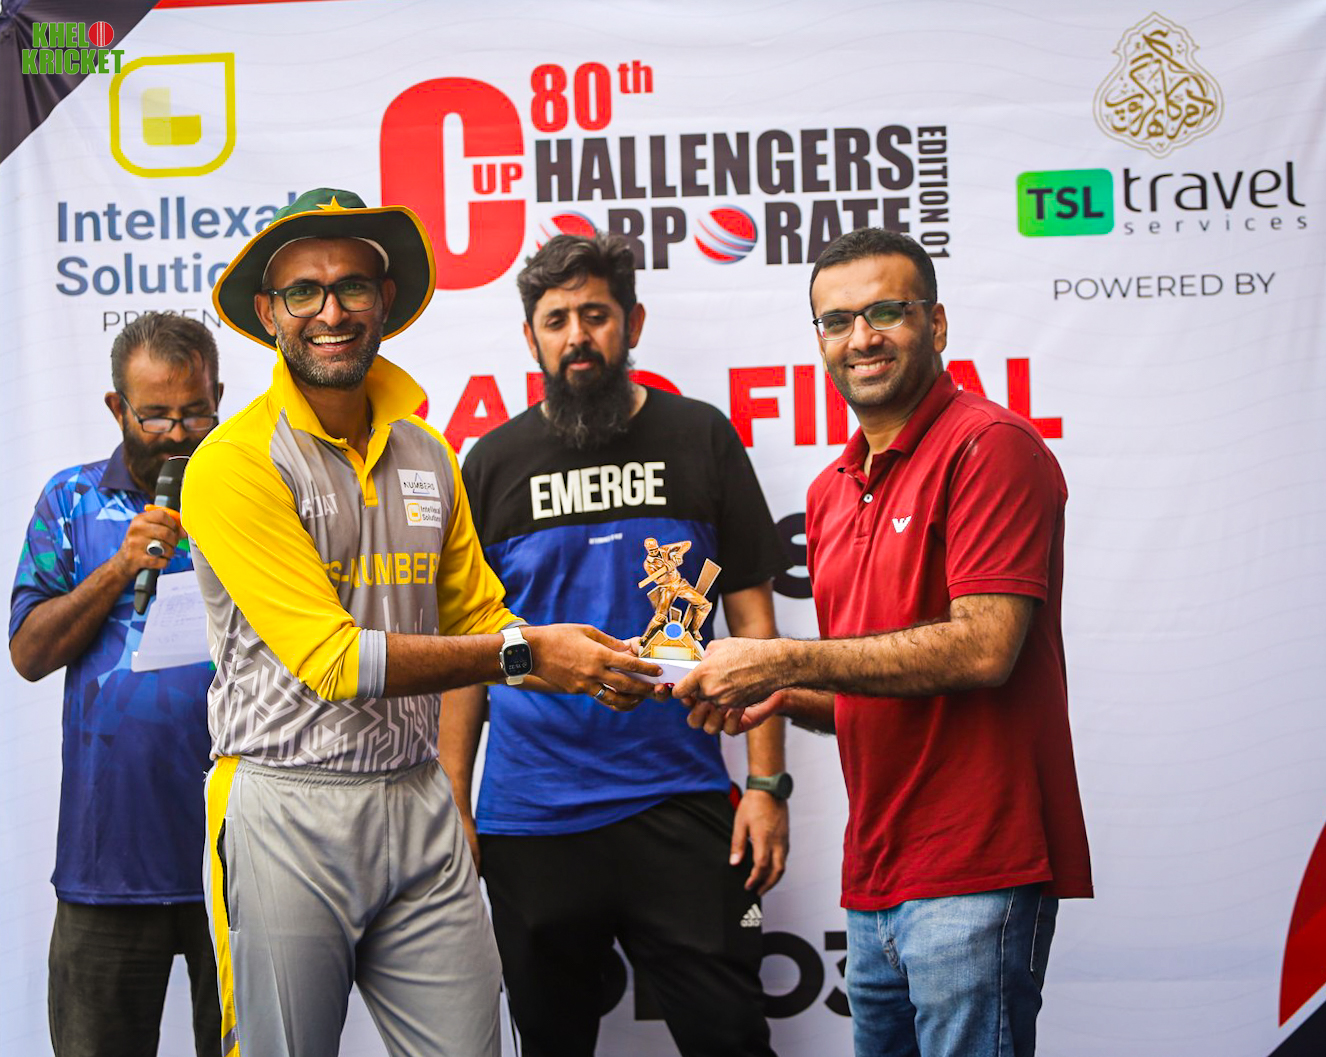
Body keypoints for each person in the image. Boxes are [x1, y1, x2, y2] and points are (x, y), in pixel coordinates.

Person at [183, 189, 660, 1057]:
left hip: (417, 795)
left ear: (386, 300)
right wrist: (529, 653)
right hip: (287, 801)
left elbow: (479, 614)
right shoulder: (233, 463)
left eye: (353, 286)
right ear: (269, 312)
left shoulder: (427, 451)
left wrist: (599, 658)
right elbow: (333, 662)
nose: (331, 312)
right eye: (304, 291)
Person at [673, 228, 1093, 1057]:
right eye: (837, 321)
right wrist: (780, 695)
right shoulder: (831, 491)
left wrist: (781, 656)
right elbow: (875, 682)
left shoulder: (990, 447)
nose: (860, 337)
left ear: (935, 323)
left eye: (885, 312)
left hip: (976, 865)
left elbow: (984, 648)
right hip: (874, 877)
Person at [440, 232, 790, 1057]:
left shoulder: (701, 437)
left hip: (679, 799)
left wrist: (767, 784)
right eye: (556, 319)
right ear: (531, 337)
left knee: (733, 1040)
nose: (577, 336)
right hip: (532, 819)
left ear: (631, 323)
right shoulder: (490, 463)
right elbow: (468, 654)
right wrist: (455, 798)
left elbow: (758, 632)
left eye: (595, 315)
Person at [9, 312, 224, 1057]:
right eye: (155, 414)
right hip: (108, 863)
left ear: (219, 399)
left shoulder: (252, 500)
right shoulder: (70, 500)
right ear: (116, 407)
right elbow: (29, 652)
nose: (177, 434)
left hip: (240, 859)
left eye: (195, 412)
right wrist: (119, 567)